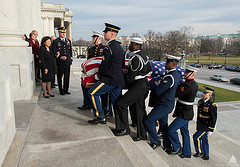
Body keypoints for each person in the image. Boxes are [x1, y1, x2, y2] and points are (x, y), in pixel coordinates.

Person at [114, 37, 152, 139]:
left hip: (138, 85)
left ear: (137, 46)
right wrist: (141, 73)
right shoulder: (144, 56)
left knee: (121, 104)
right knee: (139, 110)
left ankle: (124, 128)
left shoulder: (135, 58)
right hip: (143, 84)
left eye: (132, 44)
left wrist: (122, 80)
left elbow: (130, 77)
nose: (130, 45)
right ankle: (142, 134)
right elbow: (149, 68)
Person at [87, 23, 125, 124]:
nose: (103, 34)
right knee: (116, 102)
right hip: (118, 79)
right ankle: (120, 124)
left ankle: (100, 116)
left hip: (110, 79)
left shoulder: (108, 48)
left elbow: (104, 65)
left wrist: (99, 75)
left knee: (92, 93)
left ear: (111, 34)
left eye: (105, 32)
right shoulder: (119, 47)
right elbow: (121, 63)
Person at [144, 55, 181, 150]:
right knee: (163, 125)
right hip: (166, 103)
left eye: (167, 63)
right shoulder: (174, 74)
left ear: (172, 65)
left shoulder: (170, 77)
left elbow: (158, 91)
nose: (165, 64)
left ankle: (155, 140)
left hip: (164, 105)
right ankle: (167, 145)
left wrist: (150, 80)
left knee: (148, 120)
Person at [168, 65, 199, 157]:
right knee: (185, 133)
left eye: (186, 72)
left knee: (171, 130)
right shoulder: (189, 84)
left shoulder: (189, 86)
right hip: (184, 112)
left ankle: (177, 147)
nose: (184, 74)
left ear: (192, 74)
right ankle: (187, 153)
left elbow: (177, 93)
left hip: (185, 114)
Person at [78, 31, 105, 110]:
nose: (92, 39)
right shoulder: (91, 49)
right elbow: (88, 61)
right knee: (84, 85)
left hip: (100, 73)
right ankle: (87, 104)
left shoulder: (104, 48)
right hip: (91, 73)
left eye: (94, 38)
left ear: (98, 38)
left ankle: (104, 108)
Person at [193, 86, 217, 160]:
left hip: (206, 126)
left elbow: (213, 118)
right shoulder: (200, 102)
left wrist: (211, 129)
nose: (203, 94)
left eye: (205, 93)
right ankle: (206, 155)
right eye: (203, 93)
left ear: (209, 95)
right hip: (200, 124)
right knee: (204, 140)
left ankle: (200, 152)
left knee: (196, 137)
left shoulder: (212, 105)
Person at [52, 27, 73, 95]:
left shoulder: (68, 41)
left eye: (64, 32)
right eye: (62, 32)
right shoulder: (56, 41)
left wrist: (71, 60)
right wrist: (60, 57)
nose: (63, 34)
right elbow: (54, 51)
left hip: (67, 62)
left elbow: (70, 51)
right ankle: (61, 90)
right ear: (59, 33)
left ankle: (66, 89)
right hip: (60, 62)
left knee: (67, 77)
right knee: (60, 76)